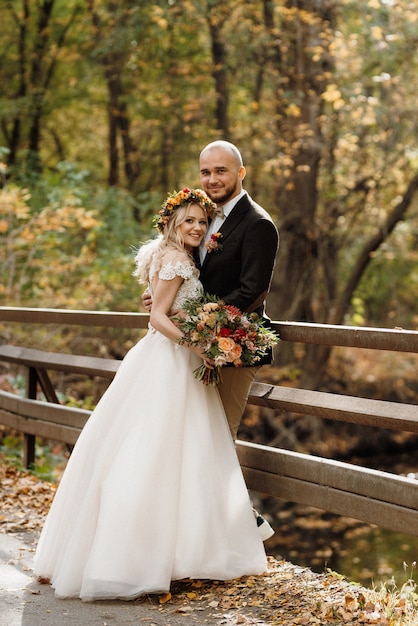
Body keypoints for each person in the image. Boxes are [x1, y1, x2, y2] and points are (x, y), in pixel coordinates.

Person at [33, 188, 267, 601]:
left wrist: (196, 326)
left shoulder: (176, 255)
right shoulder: (177, 258)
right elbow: (158, 316)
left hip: (172, 360)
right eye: (189, 221)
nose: (197, 227)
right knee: (156, 453)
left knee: (179, 453)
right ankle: (139, 556)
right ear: (173, 224)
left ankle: (178, 551)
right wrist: (198, 346)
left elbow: (168, 305)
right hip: (170, 361)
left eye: (201, 221)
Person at [144, 141, 279, 541]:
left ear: (241, 173)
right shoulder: (201, 217)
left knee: (218, 438)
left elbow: (252, 291)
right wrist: (164, 296)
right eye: (206, 172)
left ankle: (243, 527)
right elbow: (187, 271)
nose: (212, 179)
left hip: (233, 346)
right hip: (193, 348)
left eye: (221, 171)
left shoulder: (258, 224)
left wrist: (199, 319)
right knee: (193, 437)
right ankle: (196, 534)